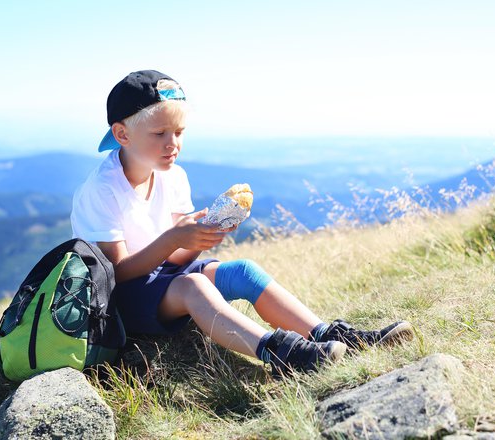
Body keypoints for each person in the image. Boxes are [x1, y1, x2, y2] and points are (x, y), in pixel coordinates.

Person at [70, 70, 413, 376]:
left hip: (162, 280)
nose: (172, 143)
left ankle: (332, 336)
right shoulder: (102, 189)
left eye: (179, 131)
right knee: (195, 287)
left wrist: (198, 241)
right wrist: (176, 237)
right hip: (117, 301)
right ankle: (281, 354)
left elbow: (175, 261)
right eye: (159, 133)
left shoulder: (173, 176)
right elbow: (118, 272)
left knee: (243, 271)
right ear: (122, 134)